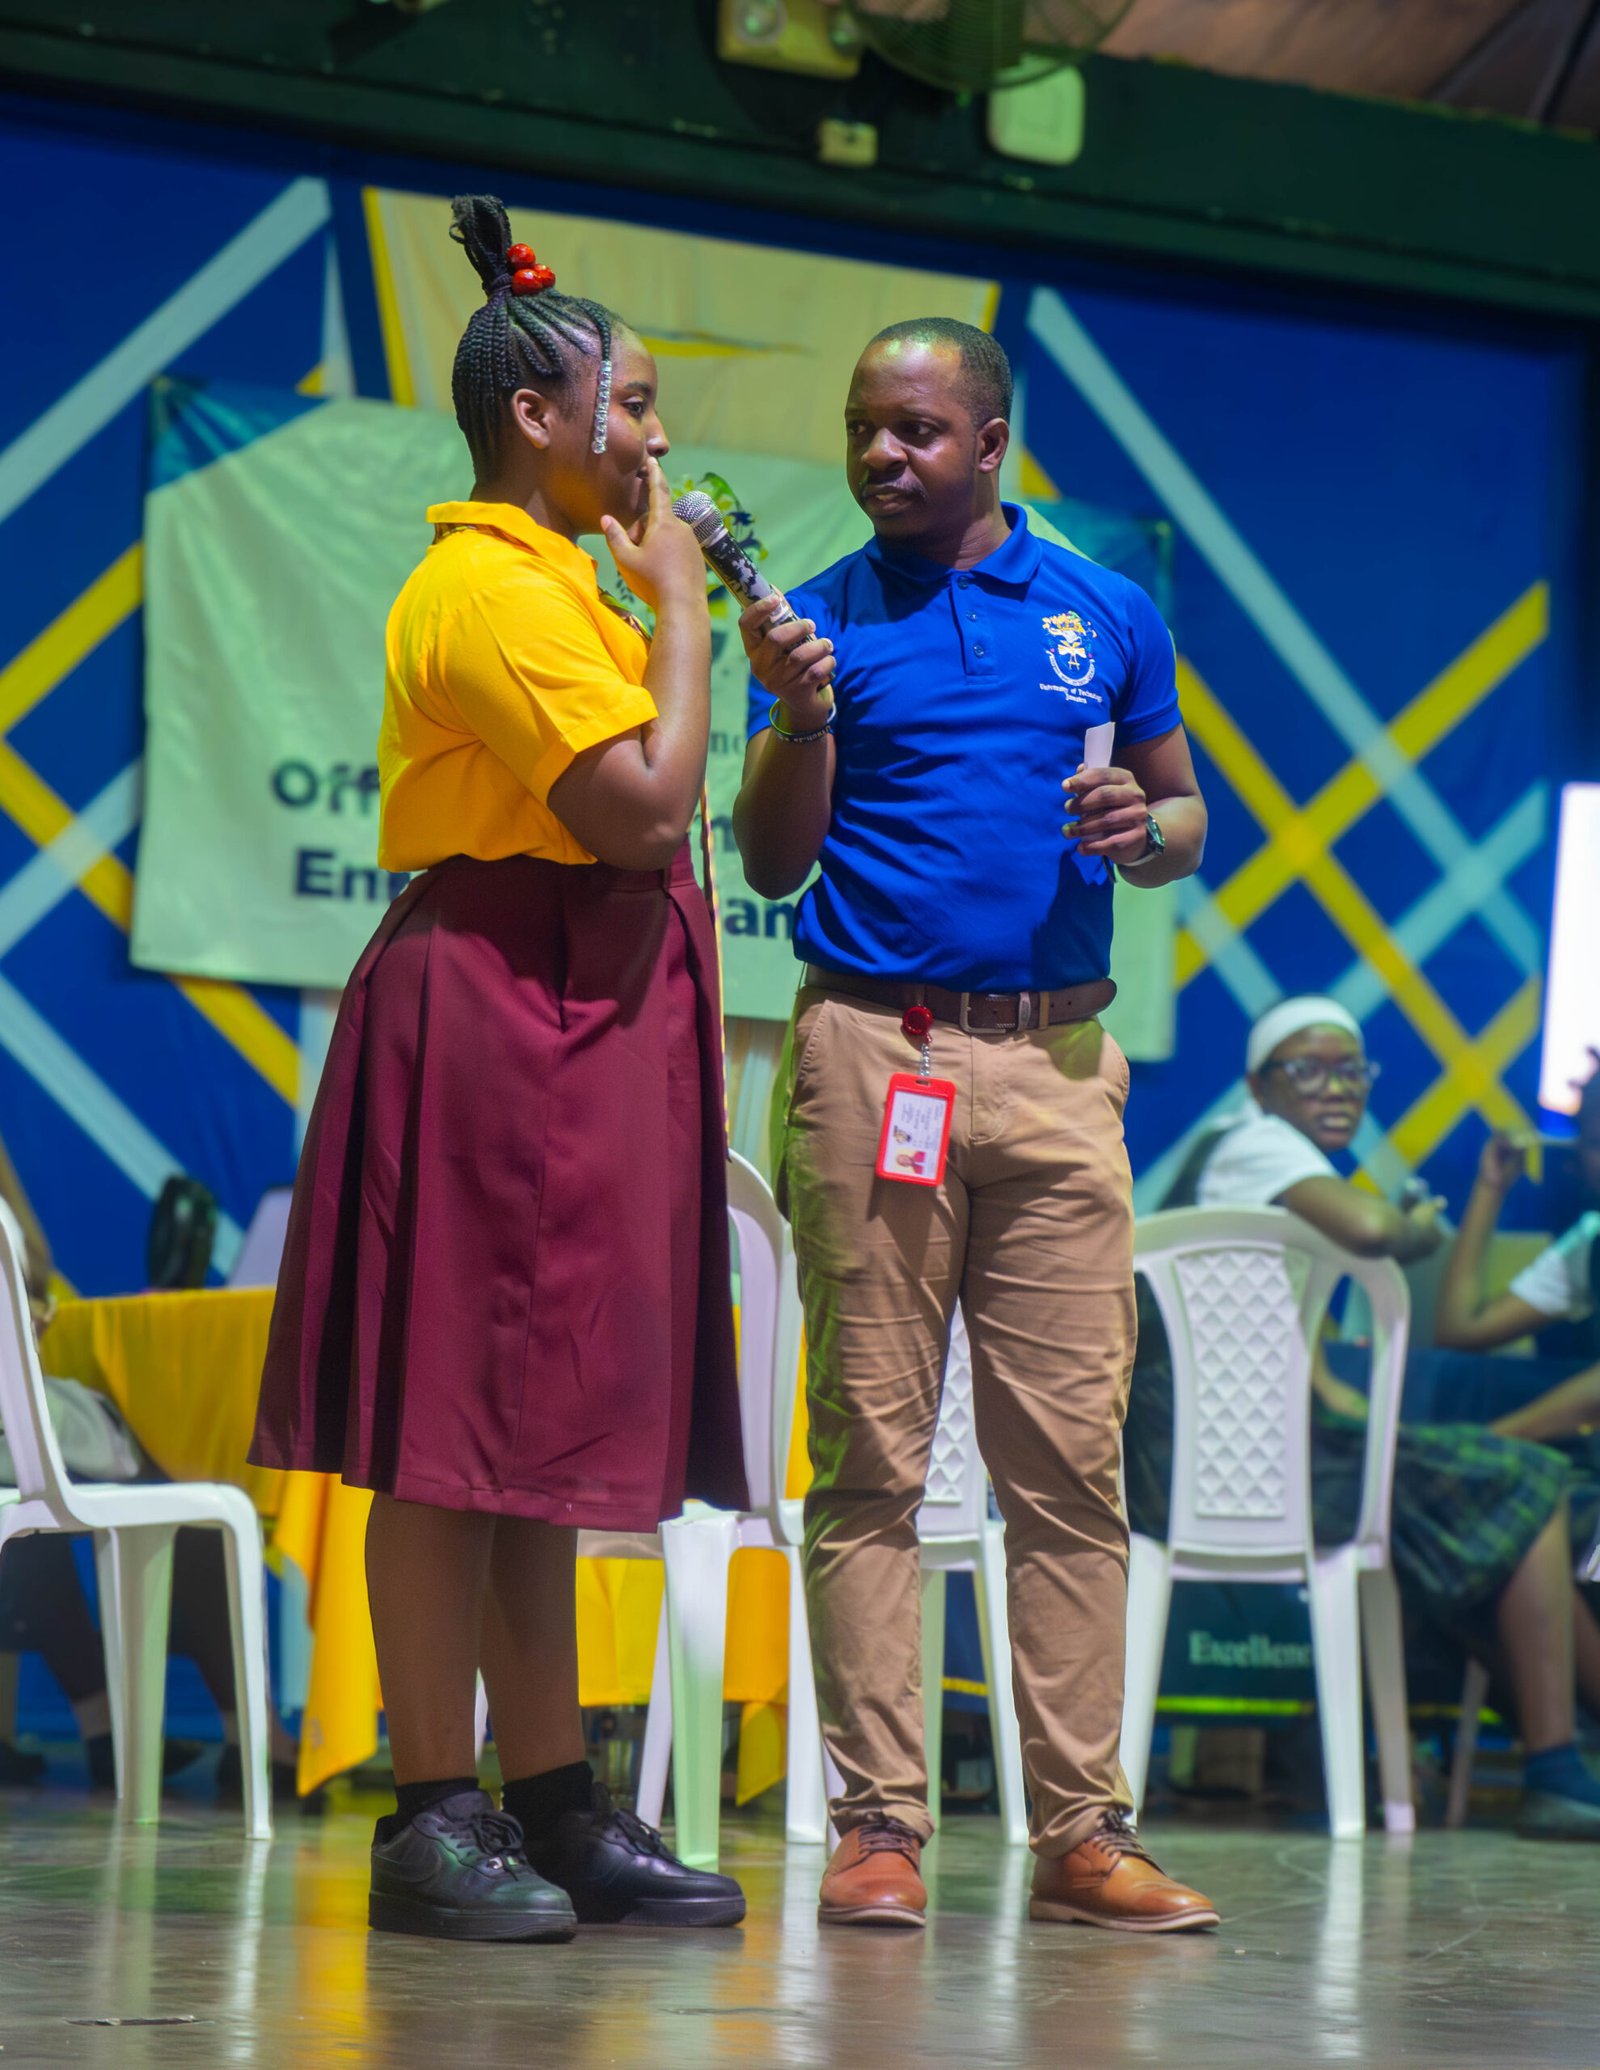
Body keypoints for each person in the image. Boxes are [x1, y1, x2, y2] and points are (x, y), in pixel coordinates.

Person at [252, 198, 747, 1942]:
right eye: (636, 406)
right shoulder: (484, 589)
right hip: (495, 1000)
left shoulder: (560, 588)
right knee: (448, 1428)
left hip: (580, 1005)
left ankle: (556, 1803)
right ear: (539, 417)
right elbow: (642, 813)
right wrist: (681, 610)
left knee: (537, 1431)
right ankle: (429, 1812)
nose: (659, 442)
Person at [734, 317, 1218, 1932]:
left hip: (1062, 1070)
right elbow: (772, 864)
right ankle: (879, 1825)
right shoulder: (816, 620)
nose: (883, 454)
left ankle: (1084, 1833)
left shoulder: (1105, 608)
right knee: (871, 1457)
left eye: (919, 430)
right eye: (865, 426)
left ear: (993, 443)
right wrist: (800, 717)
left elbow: (1187, 816)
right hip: (878, 1054)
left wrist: (1145, 822)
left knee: (1069, 1466)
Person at [1122, 996, 1600, 1839]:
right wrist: (1417, 1229)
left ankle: (1542, 1766)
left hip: (1218, 1460)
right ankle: (1554, 1767)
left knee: (1482, 1506)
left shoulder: (1256, 1175)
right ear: (1258, 1086)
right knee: (1527, 1477)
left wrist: (1394, 1437)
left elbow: (1299, 1371)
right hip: (1223, 1467)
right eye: (1307, 1071)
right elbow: (1373, 1229)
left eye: (1350, 1070)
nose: (1336, 1088)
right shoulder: (1259, 1146)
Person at [1434, 1052, 1600, 1477]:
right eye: (1595, 1142)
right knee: (1444, 1378)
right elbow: (1460, 1332)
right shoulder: (1590, 1244)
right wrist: (1490, 1189)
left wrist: (1488, 1442)